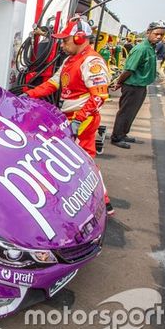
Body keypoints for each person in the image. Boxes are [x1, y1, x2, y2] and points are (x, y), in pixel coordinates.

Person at [24, 17, 113, 214]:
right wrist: (27, 95)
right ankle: (101, 201)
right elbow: (52, 84)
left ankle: (102, 202)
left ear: (80, 38)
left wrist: (79, 120)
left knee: (83, 162)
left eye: (65, 40)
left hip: (81, 119)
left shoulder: (92, 62)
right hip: (70, 118)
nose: (62, 44)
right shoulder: (70, 60)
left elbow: (99, 96)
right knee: (80, 161)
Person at [110, 20, 165, 149]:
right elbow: (129, 70)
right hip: (132, 86)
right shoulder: (141, 49)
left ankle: (123, 134)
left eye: (162, 35)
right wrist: (119, 82)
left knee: (131, 112)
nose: (159, 37)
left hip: (140, 86)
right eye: (156, 33)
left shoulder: (150, 48)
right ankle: (116, 137)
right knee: (125, 112)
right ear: (149, 32)